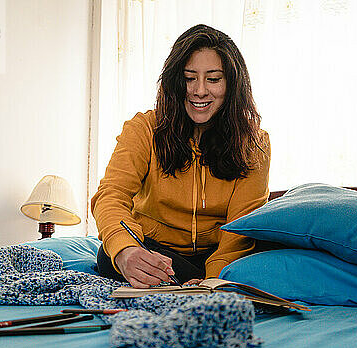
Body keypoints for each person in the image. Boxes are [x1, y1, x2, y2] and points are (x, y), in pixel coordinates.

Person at [91, 24, 270, 288]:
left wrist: (213, 279)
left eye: (213, 79)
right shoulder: (143, 129)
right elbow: (111, 196)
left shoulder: (255, 143)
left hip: (221, 255)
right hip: (156, 250)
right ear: (175, 81)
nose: (199, 91)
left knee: (261, 259)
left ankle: (187, 282)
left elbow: (241, 228)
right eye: (189, 78)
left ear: (232, 84)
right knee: (109, 256)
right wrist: (126, 250)